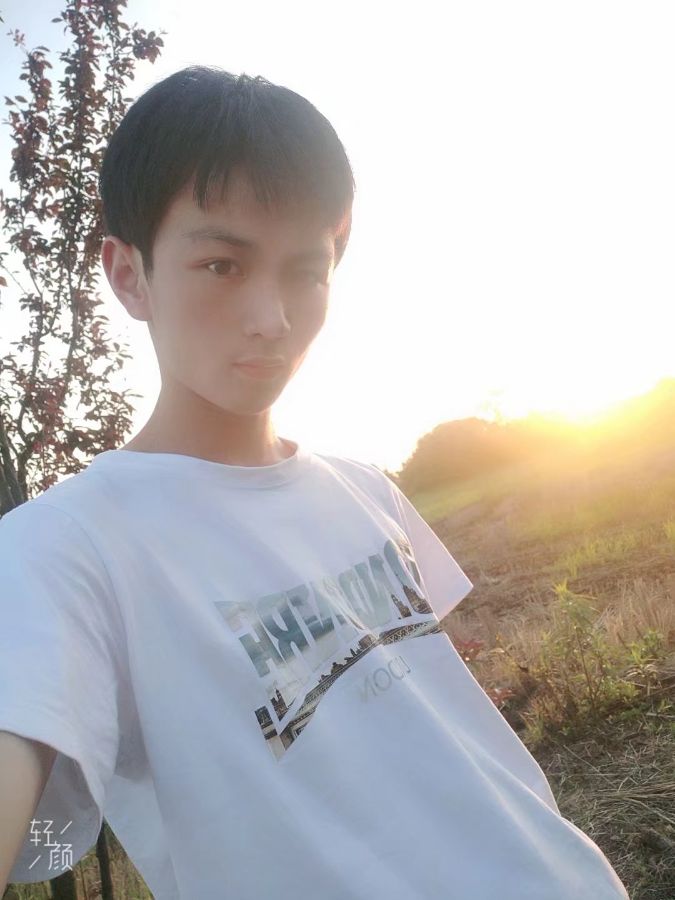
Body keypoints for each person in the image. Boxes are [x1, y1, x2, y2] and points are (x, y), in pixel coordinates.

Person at [0, 66, 629, 899]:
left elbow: (430, 725)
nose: (273, 319)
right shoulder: (63, 549)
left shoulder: (366, 489)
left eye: (306, 270)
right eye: (221, 265)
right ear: (127, 273)